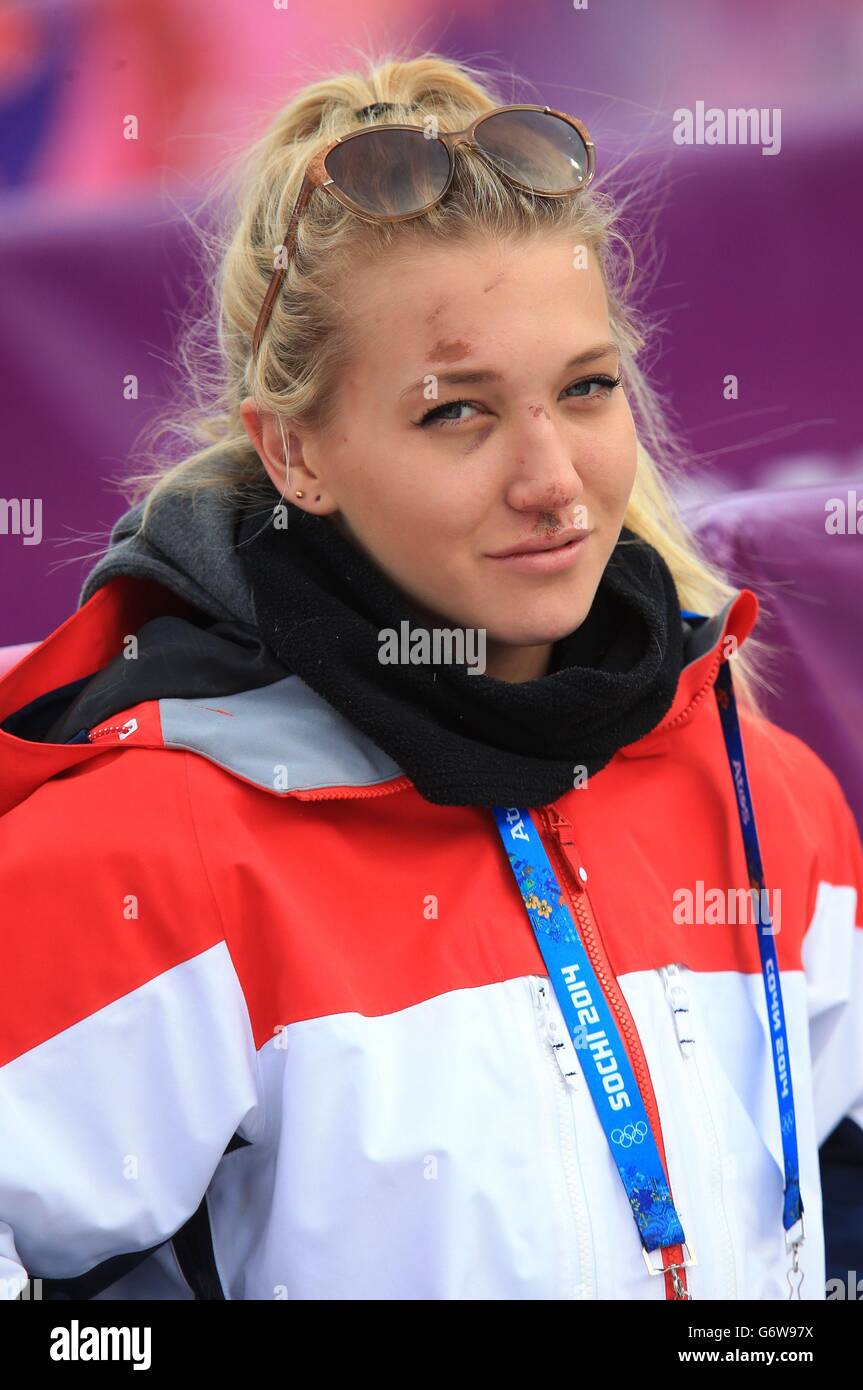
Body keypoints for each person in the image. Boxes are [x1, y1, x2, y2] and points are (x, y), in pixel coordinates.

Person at [1, 53, 861, 1303]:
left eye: (584, 388)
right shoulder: (151, 843)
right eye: (455, 412)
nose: (552, 480)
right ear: (293, 452)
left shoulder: (760, 794)